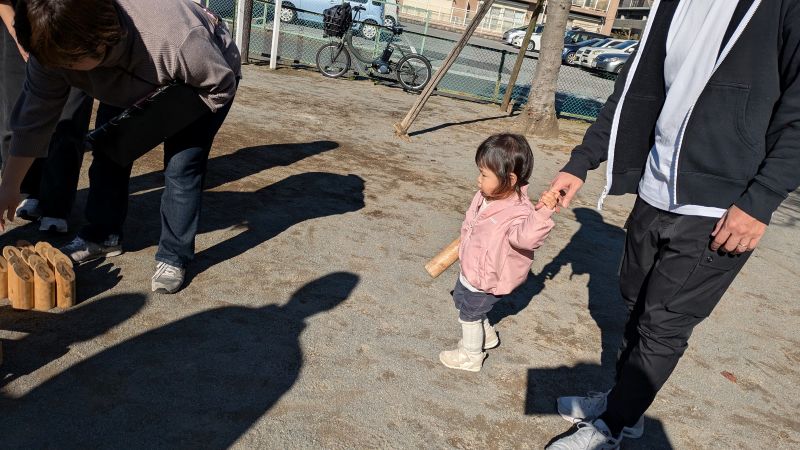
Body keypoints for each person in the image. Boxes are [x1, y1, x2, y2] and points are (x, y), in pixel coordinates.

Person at [545, 1, 800, 448]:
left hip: (722, 207)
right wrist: (582, 161)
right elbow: (632, 90)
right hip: (654, 187)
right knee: (633, 304)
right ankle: (624, 406)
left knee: (663, 325)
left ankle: (611, 427)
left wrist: (760, 202)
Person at [0, 0, 242, 294]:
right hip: (127, 78)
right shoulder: (51, 49)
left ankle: (174, 255)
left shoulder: (175, 38)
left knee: (182, 167)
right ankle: (102, 236)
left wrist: (154, 121)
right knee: (109, 150)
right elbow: (33, 121)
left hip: (200, 85)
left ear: (98, 42)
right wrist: (10, 186)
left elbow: (220, 83)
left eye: (67, 65)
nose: (59, 70)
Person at [439, 133, 559, 372]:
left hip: (489, 277)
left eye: (484, 175)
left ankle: (471, 355)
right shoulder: (486, 195)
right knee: (460, 299)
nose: (478, 180)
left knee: (469, 315)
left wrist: (543, 213)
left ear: (510, 179)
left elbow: (526, 238)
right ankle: (487, 335)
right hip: (472, 268)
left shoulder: (519, 212)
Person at [0, 0, 92, 233]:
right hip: (19, 20)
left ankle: (57, 205)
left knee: (69, 119)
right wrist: (17, 33)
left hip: (73, 24)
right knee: (19, 111)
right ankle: (24, 189)